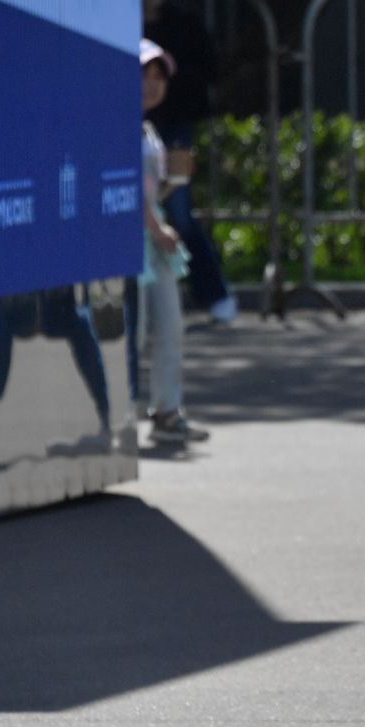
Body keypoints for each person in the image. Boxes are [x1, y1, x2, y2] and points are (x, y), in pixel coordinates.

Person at [141, 0, 236, 324]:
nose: (151, 84)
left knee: (177, 210)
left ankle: (212, 292)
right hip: (138, 131)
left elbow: (206, 71)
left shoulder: (184, 23)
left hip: (173, 131)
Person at [138, 39, 209, 445]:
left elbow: (148, 192)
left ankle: (167, 411)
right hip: (136, 244)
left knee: (170, 328)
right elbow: (123, 191)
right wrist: (155, 227)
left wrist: (173, 181)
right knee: (131, 334)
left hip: (156, 244)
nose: (152, 84)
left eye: (158, 76)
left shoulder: (149, 130)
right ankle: (119, 416)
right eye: (143, 75)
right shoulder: (116, 127)